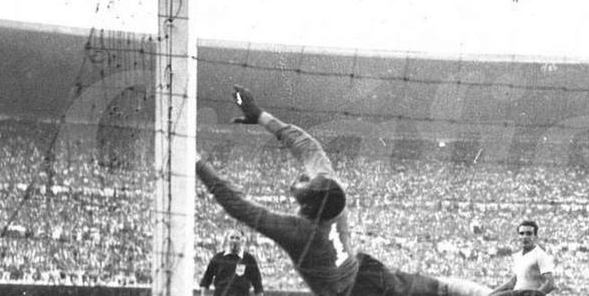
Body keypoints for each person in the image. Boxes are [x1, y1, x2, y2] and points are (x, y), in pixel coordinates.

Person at [196, 85, 493, 296]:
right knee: (441, 289)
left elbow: (237, 205)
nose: (301, 183)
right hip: (371, 273)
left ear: (308, 209)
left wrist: (197, 163)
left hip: (349, 291)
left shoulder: (299, 231)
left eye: (302, 188)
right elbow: (307, 147)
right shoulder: (334, 194)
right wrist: (262, 117)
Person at [489, 221, 555, 296]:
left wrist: (535, 295)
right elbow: (512, 283)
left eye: (529, 233)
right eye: (521, 233)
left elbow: (551, 283)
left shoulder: (540, 255)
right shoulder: (518, 256)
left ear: (536, 236)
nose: (525, 237)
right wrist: (491, 294)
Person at [199, 229, 264, 296]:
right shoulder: (217, 258)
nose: (234, 240)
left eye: (237, 238)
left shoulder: (249, 259)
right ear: (227, 240)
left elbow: (258, 285)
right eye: (232, 237)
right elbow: (205, 281)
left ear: (242, 241)